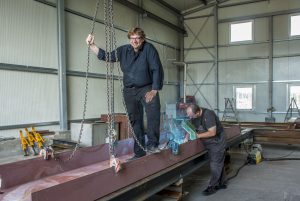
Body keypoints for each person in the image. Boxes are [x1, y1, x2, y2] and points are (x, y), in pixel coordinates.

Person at [86, 27, 164, 160]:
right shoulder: (123, 51)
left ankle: (152, 145)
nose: (135, 41)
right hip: (129, 90)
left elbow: (157, 69)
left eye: (138, 38)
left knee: (153, 112)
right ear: (129, 39)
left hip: (147, 88)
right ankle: (139, 152)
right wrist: (92, 45)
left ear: (142, 39)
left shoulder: (149, 49)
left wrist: (154, 90)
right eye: (132, 38)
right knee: (135, 121)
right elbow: (107, 56)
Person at [186, 104, 227, 196]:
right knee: (218, 161)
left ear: (197, 112)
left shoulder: (208, 115)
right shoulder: (193, 116)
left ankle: (212, 186)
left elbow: (212, 133)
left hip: (217, 140)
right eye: (188, 115)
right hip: (208, 140)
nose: (189, 117)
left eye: (191, 115)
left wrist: (197, 136)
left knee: (215, 163)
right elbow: (191, 128)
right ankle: (221, 183)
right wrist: (188, 135)